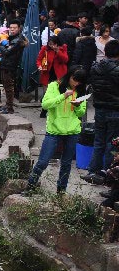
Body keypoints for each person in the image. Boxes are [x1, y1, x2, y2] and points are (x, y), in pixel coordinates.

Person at [25, 69, 88, 194]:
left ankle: (61, 191)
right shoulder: (54, 85)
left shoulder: (81, 91)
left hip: (72, 131)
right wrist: (63, 96)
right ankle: (30, 186)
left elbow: (81, 112)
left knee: (66, 163)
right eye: (74, 79)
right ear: (69, 76)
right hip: (54, 131)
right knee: (43, 161)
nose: (75, 84)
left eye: (79, 82)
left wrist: (77, 105)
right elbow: (45, 104)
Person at [84, 40, 119, 184]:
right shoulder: (117, 70)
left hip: (99, 109)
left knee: (98, 141)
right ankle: (106, 172)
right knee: (112, 143)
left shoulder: (95, 68)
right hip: (115, 110)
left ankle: (92, 170)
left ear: (105, 52)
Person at [0, 20, 28, 114]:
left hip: (10, 65)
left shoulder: (18, 40)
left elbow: (7, 52)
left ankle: (10, 107)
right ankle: (7, 105)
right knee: (6, 86)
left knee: (9, 86)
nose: (12, 29)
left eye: (14, 28)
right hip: (6, 64)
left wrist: (1, 45)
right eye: (10, 28)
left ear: (19, 28)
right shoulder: (11, 38)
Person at [36, 35, 69, 118]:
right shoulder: (45, 49)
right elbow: (39, 59)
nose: (52, 46)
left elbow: (65, 60)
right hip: (47, 73)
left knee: (59, 93)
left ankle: (58, 112)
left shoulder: (63, 48)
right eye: (50, 44)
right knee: (47, 93)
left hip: (59, 74)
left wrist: (58, 51)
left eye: (53, 44)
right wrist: (39, 66)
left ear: (57, 43)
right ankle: (44, 111)